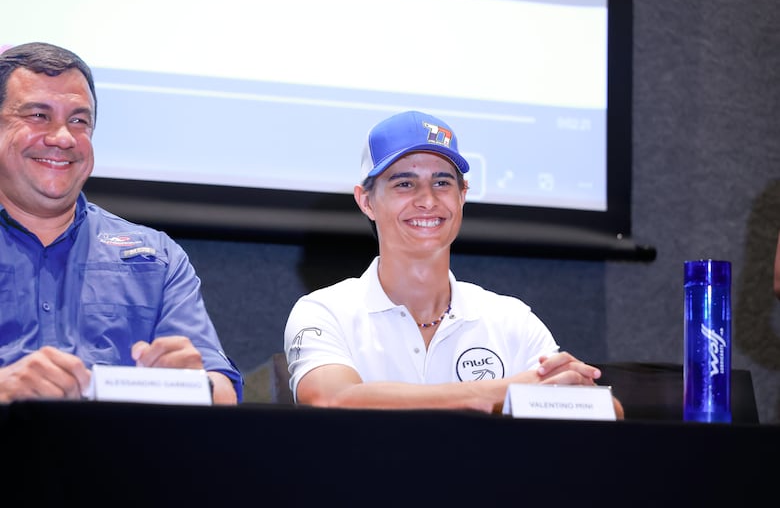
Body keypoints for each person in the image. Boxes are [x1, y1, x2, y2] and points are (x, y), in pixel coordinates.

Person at [284, 110, 623, 417]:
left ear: (462, 195)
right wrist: (502, 393)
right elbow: (332, 399)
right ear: (366, 201)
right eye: (404, 183)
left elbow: (608, 413)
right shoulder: (324, 312)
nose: (427, 200)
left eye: (442, 183)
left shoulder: (510, 319)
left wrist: (582, 392)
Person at [0, 42, 242, 404]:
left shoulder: (157, 258)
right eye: (38, 116)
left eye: (79, 120)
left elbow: (223, 394)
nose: (63, 138)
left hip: (117, 456)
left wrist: (193, 385)